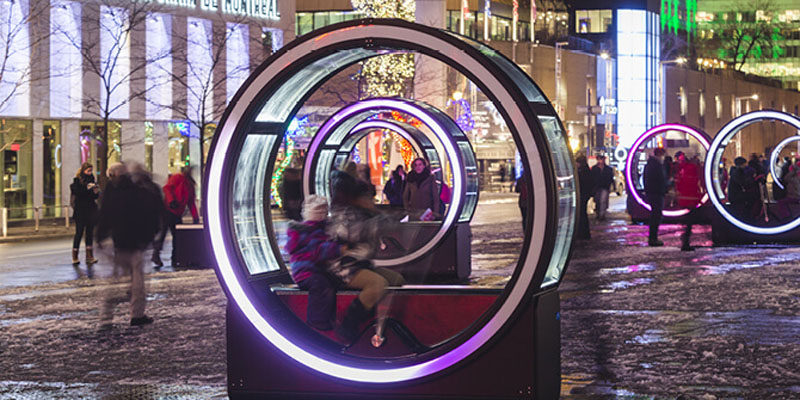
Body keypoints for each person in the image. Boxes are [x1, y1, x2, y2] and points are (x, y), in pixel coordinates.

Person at [327, 170, 405, 343]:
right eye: (368, 198)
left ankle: (372, 315)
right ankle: (348, 324)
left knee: (396, 279)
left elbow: (388, 225)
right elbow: (350, 234)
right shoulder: (344, 213)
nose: (371, 201)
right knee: (378, 284)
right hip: (343, 266)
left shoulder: (365, 213)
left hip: (361, 264)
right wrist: (372, 218)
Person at [96, 163, 163, 329]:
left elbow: (105, 216)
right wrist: (149, 236)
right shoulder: (136, 192)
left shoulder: (111, 193)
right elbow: (147, 215)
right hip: (135, 243)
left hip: (120, 243)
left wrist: (100, 236)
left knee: (116, 282)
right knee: (137, 283)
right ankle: (136, 315)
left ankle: (106, 317)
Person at [284, 195, 342, 331]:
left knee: (331, 283)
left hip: (314, 269)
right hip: (305, 272)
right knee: (322, 287)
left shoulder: (319, 228)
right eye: (321, 212)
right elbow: (317, 250)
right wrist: (337, 249)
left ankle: (330, 317)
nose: (324, 214)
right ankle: (316, 320)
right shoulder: (308, 230)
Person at [152, 166, 199, 268]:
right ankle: (159, 255)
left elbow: (191, 203)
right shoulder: (178, 178)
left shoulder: (190, 185)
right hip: (168, 210)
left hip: (176, 211)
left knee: (176, 236)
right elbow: (167, 188)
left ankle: (174, 257)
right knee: (167, 234)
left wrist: (195, 216)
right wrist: (171, 201)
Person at [70, 162, 100, 265]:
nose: (90, 172)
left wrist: (96, 191)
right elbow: (78, 193)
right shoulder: (77, 182)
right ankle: (75, 255)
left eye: (91, 170)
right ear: (83, 170)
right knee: (79, 232)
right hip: (80, 211)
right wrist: (87, 189)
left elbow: (95, 197)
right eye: (88, 170)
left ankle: (89, 256)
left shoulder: (92, 180)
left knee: (89, 233)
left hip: (90, 210)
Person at [675, 152, 703, 251]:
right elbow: (694, 185)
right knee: (689, 221)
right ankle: (685, 241)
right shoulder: (692, 170)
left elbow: (679, 184)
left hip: (684, 199)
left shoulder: (682, 170)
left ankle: (685, 240)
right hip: (691, 199)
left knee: (687, 221)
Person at [644, 148, 667, 246]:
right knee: (656, 216)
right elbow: (660, 179)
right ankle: (653, 239)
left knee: (655, 216)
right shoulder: (656, 165)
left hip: (654, 192)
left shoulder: (651, 164)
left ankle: (653, 238)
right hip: (656, 193)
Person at [728, 157, 755, 221]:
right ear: (741, 164)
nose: (746, 165)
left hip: (736, 195)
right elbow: (743, 183)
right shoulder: (737, 172)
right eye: (745, 164)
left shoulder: (736, 171)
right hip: (736, 196)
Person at [590, 155, 614, 221]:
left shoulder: (608, 169)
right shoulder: (594, 168)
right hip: (596, 187)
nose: (600, 161)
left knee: (603, 200)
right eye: (599, 159)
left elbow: (610, 178)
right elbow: (591, 178)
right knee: (597, 201)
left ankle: (602, 214)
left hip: (604, 187)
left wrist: (609, 185)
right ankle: (598, 213)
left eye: (601, 159)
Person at [576, 155, 593, 240]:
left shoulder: (582, 172)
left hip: (582, 194)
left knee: (582, 213)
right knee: (583, 213)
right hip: (585, 194)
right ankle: (584, 233)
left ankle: (582, 233)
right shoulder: (586, 171)